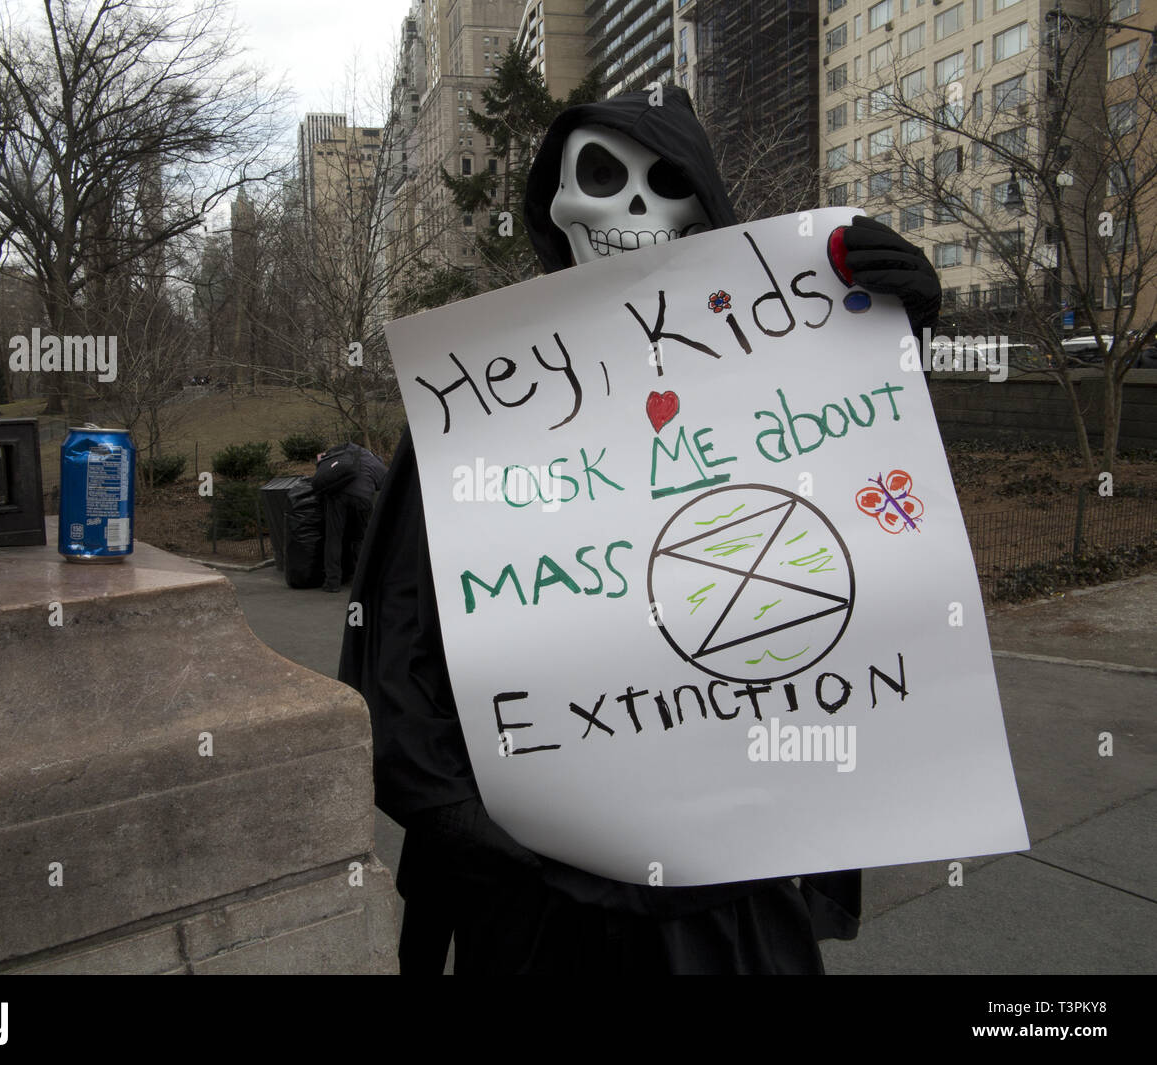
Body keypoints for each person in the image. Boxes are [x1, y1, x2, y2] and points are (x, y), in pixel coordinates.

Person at [339, 86, 940, 974]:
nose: (633, 210)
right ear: (553, 203)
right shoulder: (479, 403)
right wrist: (455, 812)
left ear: (706, 208)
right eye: (602, 176)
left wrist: (884, 348)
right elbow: (401, 634)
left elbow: (858, 522)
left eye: (666, 183)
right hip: (537, 901)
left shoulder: (768, 384)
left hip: (723, 901)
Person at [318, 442, 387, 593]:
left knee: (334, 538)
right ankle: (366, 580)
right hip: (362, 498)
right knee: (362, 538)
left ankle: (332, 583)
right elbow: (383, 482)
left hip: (337, 496)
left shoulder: (339, 453)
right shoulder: (373, 460)